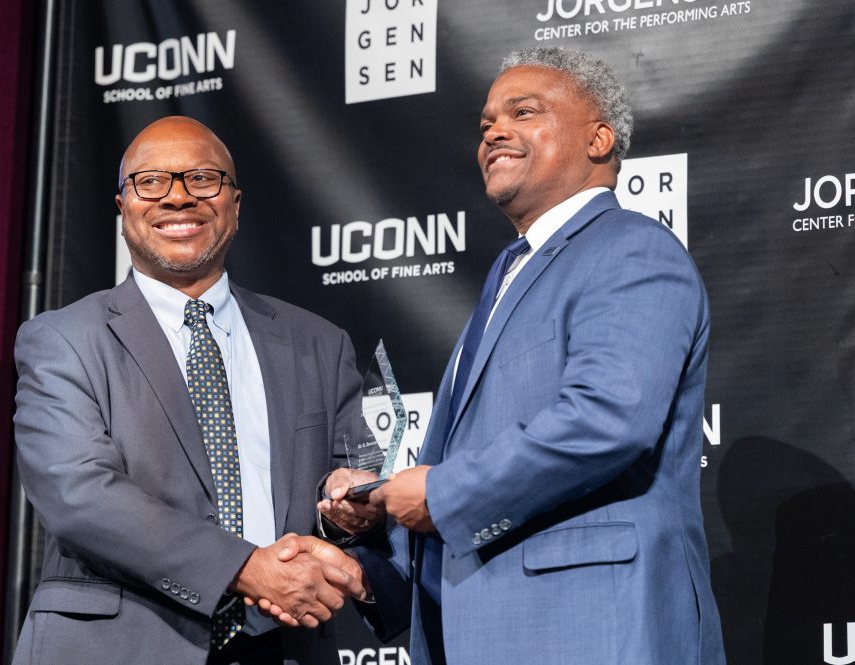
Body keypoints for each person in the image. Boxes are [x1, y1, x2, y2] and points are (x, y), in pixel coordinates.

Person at [311, 46, 727, 664]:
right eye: (486, 124)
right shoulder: (513, 271)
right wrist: (379, 550)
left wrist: (442, 494)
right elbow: (473, 472)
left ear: (599, 138)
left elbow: (607, 419)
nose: (494, 132)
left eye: (523, 112)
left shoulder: (631, 249)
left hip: (594, 632)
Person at [12, 116, 368, 665]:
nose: (178, 198)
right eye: (151, 182)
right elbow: (78, 494)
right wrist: (246, 569)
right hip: (119, 646)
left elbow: (348, 490)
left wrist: (347, 513)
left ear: (236, 203)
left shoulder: (319, 343)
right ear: (123, 207)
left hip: (284, 645)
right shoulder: (63, 339)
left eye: (203, 179)